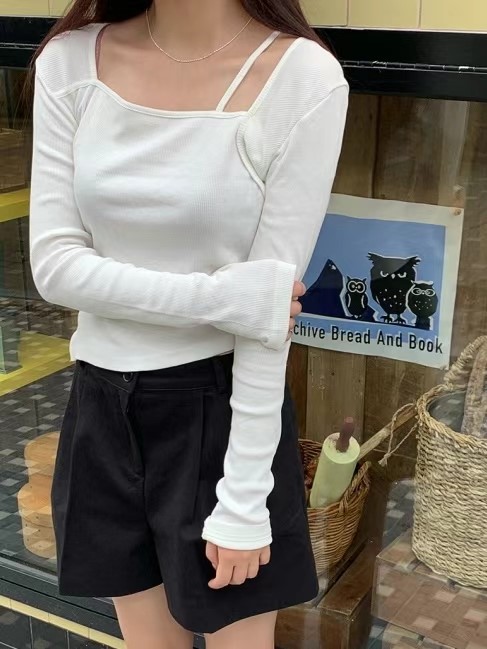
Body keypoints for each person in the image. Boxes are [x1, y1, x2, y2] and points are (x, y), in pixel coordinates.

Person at [29, 0, 348, 647]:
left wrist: (245, 495)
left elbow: (266, 318)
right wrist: (216, 299)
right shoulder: (69, 63)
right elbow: (55, 266)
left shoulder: (302, 78)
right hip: (101, 405)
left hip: (221, 409)